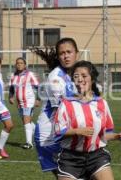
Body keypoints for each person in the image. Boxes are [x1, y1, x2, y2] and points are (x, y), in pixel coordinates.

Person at [54, 60, 121, 180]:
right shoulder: (66, 104)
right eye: (76, 76)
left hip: (96, 157)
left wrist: (116, 136)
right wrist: (76, 131)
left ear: (92, 79)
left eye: (84, 76)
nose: (80, 79)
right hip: (70, 159)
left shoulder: (102, 104)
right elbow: (57, 132)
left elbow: (104, 134)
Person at [31, 37, 79, 177]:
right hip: (50, 137)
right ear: (58, 57)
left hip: (62, 133)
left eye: (69, 52)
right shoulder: (56, 79)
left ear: (77, 53)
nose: (66, 56)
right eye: (62, 53)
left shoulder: (72, 74)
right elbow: (65, 112)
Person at [9, 57, 40, 149]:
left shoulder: (30, 74)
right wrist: (10, 96)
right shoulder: (13, 75)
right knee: (27, 122)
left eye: (21, 63)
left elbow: (38, 87)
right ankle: (40, 135)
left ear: (25, 65)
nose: (19, 65)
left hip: (29, 102)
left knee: (26, 121)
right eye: (17, 63)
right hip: (19, 103)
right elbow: (11, 88)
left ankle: (29, 143)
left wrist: (38, 99)